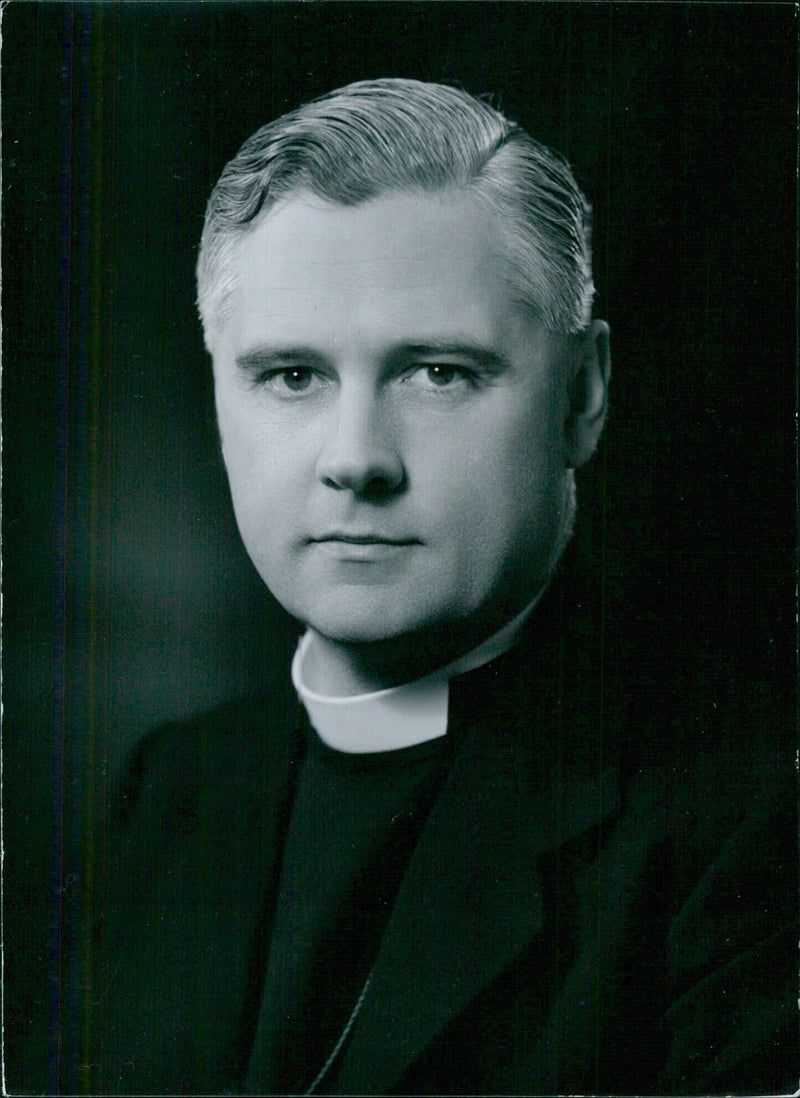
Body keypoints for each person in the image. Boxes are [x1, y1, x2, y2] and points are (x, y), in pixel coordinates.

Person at [78, 78, 795, 1095]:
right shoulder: (169, 790)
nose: (356, 459)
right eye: (290, 375)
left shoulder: (747, 819)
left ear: (582, 395)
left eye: (437, 373)